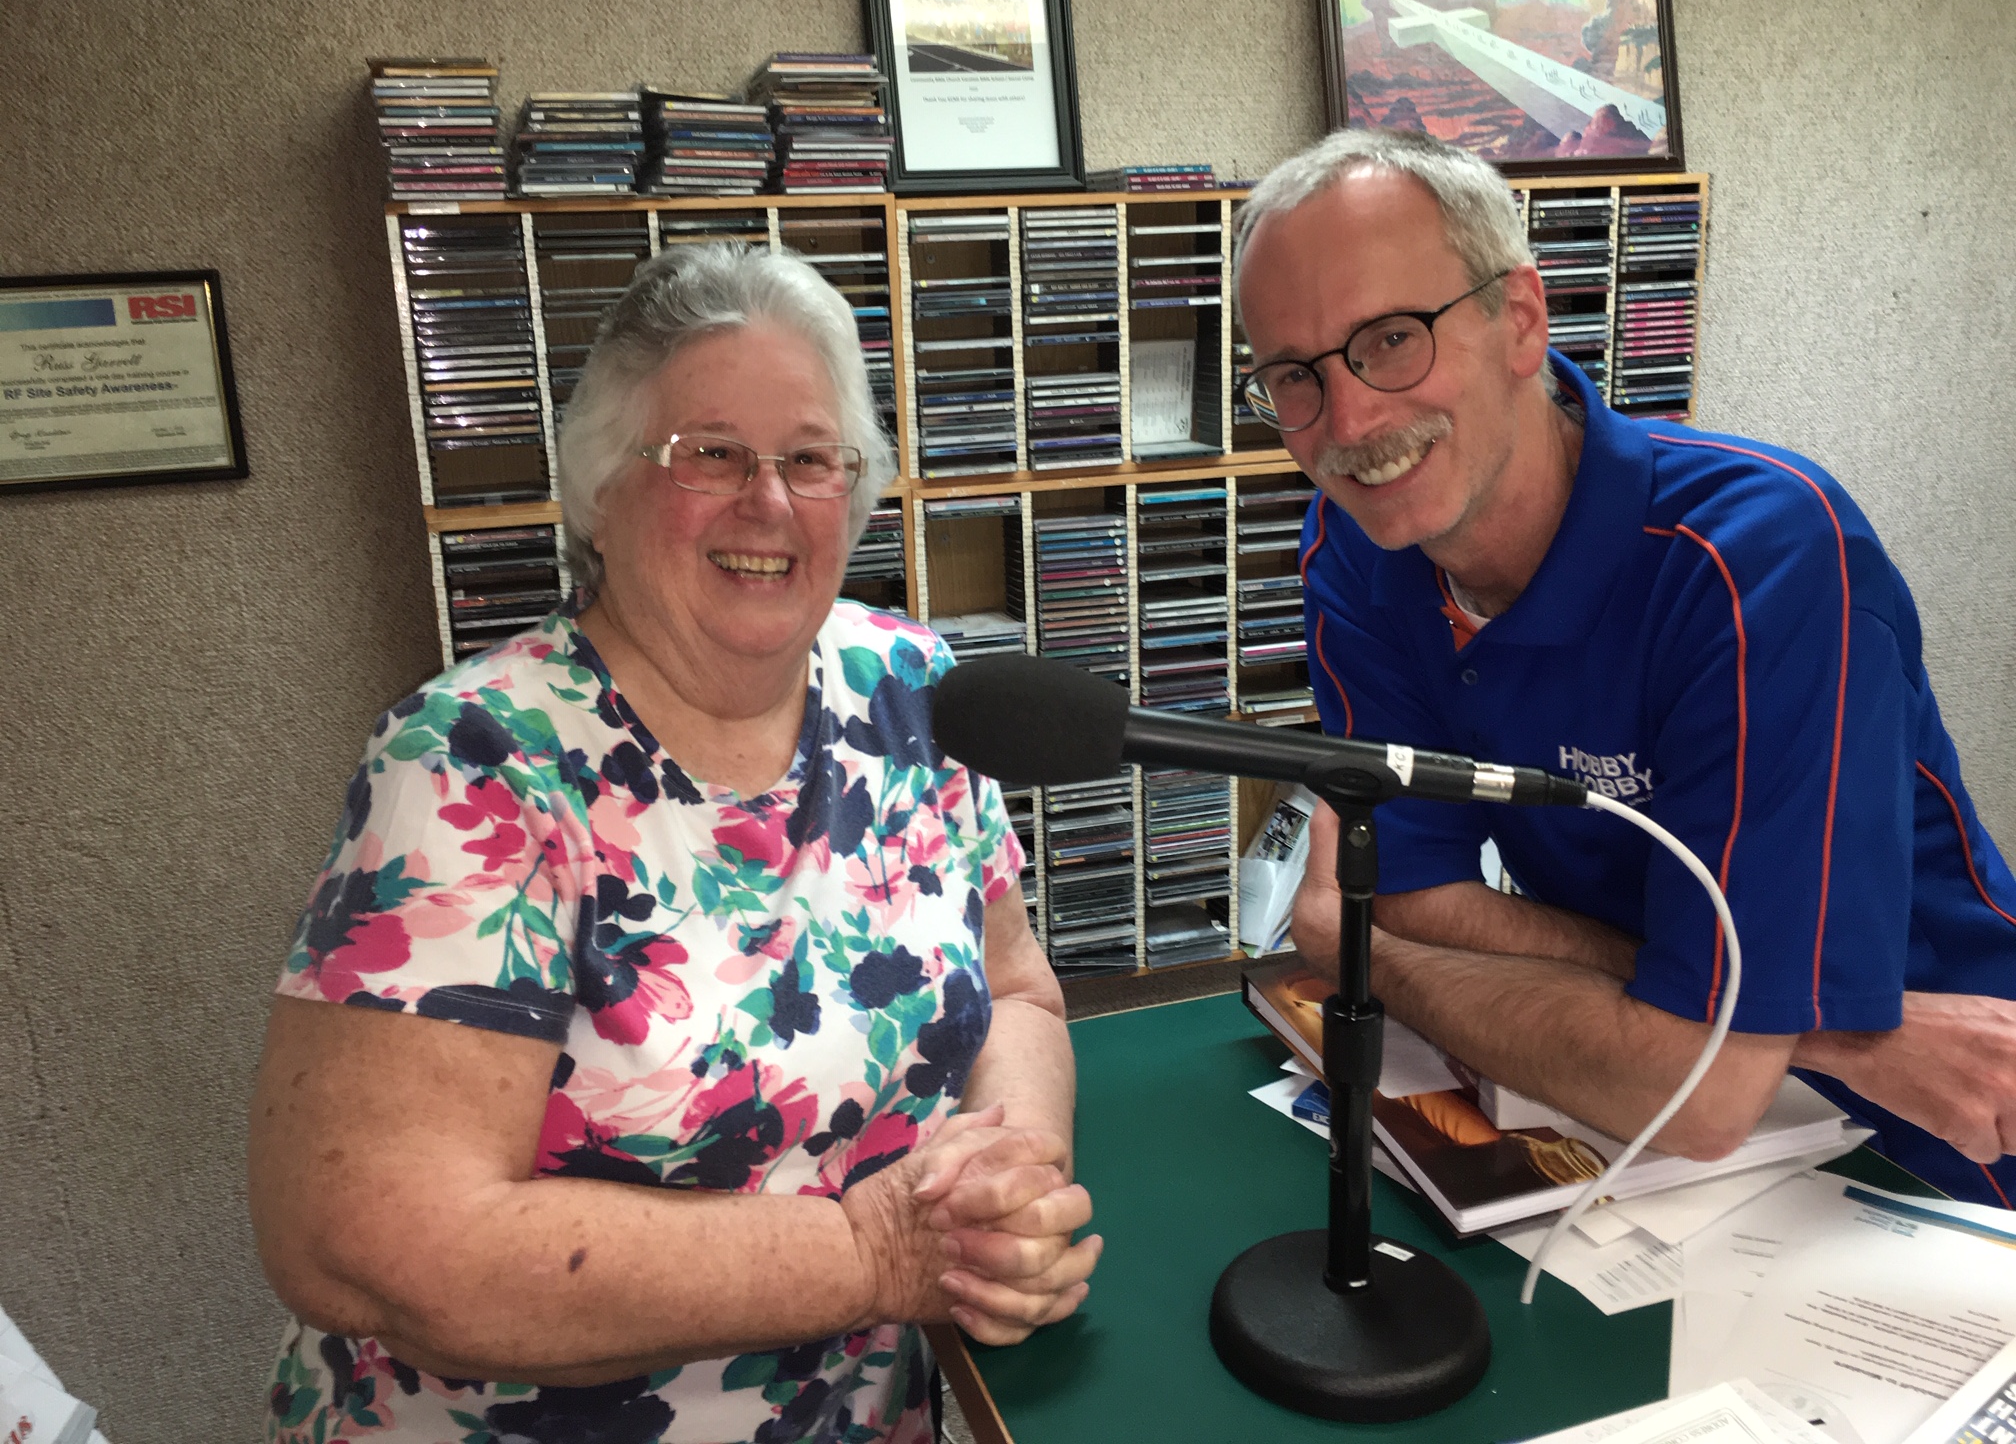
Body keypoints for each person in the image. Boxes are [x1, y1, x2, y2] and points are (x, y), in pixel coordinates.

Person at [247, 242, 1100, 1443]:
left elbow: (1017, 995)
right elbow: (373, 1249)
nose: (769, 501)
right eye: (710, 455)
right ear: (601, 486)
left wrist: (1009, 1183)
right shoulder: (471, 765)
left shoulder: (914, 687)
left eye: (811, 459)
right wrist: (867, 1253)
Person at [1231, 127, 2016, 1206]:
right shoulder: (1360, 555)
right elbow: (1417, 897)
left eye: (1392, 338)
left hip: (1947, 1133)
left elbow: (1697, 1095)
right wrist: (1812, 1035)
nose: (1350, 420)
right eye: (1294, 376)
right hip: (1681, 1123)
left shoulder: (1762, 560)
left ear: (1519, 319)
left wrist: (1357, 956)